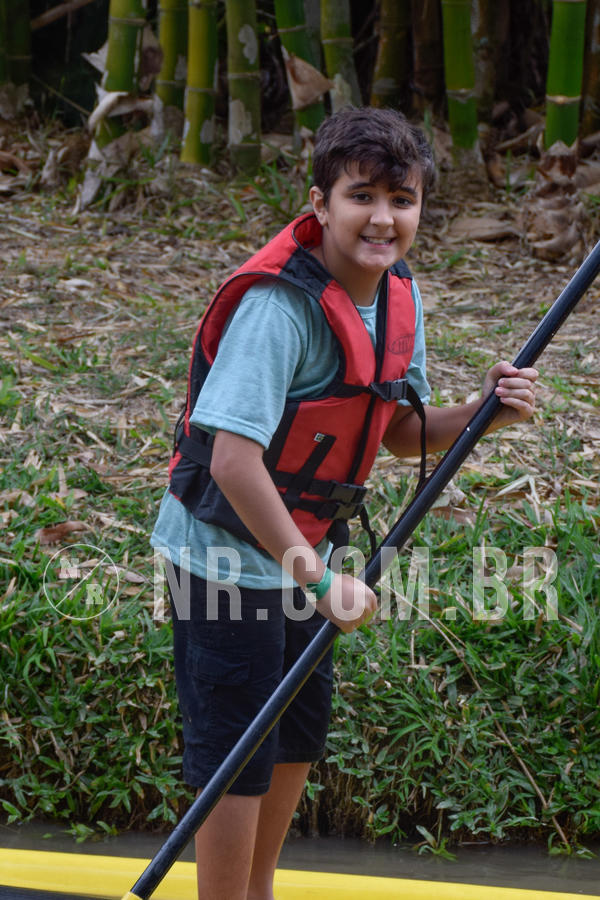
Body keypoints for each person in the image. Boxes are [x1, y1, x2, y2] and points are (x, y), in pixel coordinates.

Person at [151, 106, 538, 900]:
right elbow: (232, 460)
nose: (383, 218)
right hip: (225, 556)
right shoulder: (279, 309)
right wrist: (320, 580)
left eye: (403, 198)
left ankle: (257, 891)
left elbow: (399, 431)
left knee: (293, 736)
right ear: (322, 203)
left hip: (305, 552)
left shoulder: (399, 296)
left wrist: (483, 412)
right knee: (237, 752)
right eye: (362, 196)